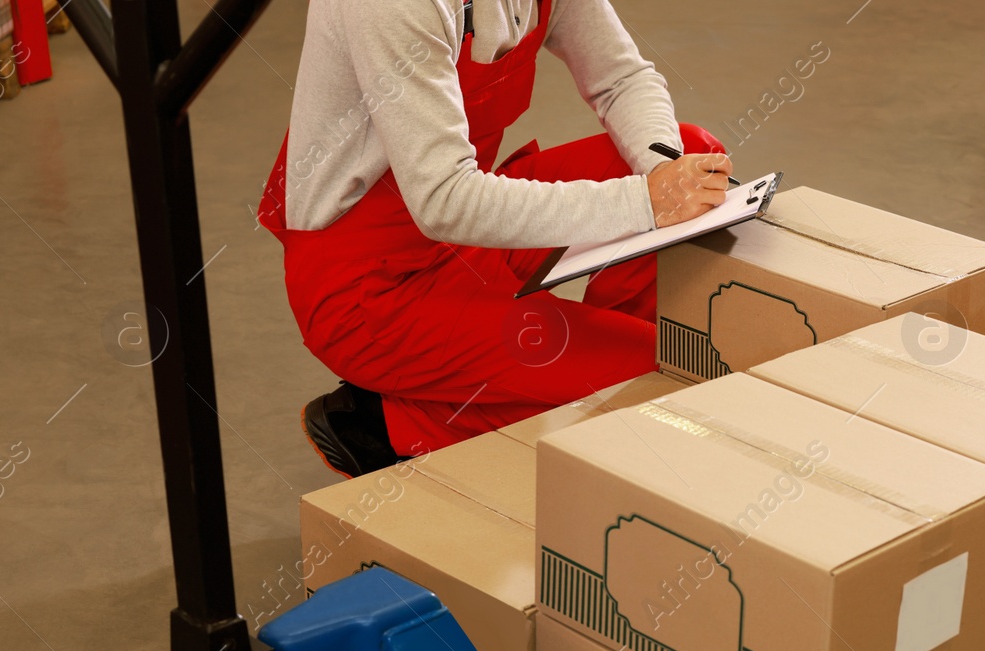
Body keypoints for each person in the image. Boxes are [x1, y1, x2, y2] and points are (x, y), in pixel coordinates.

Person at [256, 0, 730, 477]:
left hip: (468, 235)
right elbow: (445, 199)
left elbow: (621, 78)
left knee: (691, 154)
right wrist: (646, 202)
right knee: (660, 379)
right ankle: (393, 423)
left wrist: (665, 174)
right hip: (371, 289)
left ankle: (586, 376)